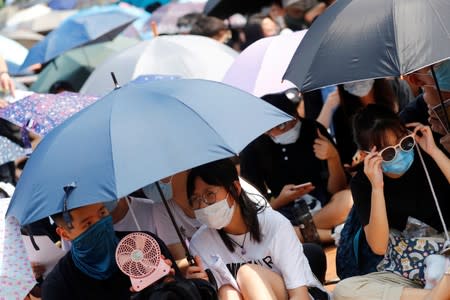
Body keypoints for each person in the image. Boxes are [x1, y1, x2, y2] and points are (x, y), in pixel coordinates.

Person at [333, 104, 450, 300]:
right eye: (388, 153)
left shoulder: (427, 148)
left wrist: (435, 152)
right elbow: (379, 246)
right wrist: (377, 187)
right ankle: (437, 295)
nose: (401, 152)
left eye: (404, 143)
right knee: (344, 290)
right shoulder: (363, 183)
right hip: (406, 270)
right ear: (365, 155)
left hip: (446, 254)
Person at [185, 158, 329, 300]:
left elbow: (299, 295)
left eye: (210, 194)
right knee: (228, 292)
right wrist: (199, 289)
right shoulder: (200, 244)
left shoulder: (274, 224)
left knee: (247, 274)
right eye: (196, 199)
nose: (203, 205)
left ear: (235, 188)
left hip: (299, 295)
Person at [240, 92, 349, 243]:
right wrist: (280, 200)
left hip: (325, 207)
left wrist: (333, 157)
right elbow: (256, 207)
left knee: (349, 199)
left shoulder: (313, 130)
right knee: (265, 227)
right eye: (270, 129)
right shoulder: (253, 149)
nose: (279, 131)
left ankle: (306, 234)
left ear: (296, 115)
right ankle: (333, 235)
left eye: (285, 124)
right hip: (285, 214)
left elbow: (338, 189)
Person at [42, 202, 177, 300]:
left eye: (102, 213)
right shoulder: (58, 286)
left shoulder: (145, 245)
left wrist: (169, 285)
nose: (101, 225)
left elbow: (178, 289)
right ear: (65, 234)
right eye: (88, 224)